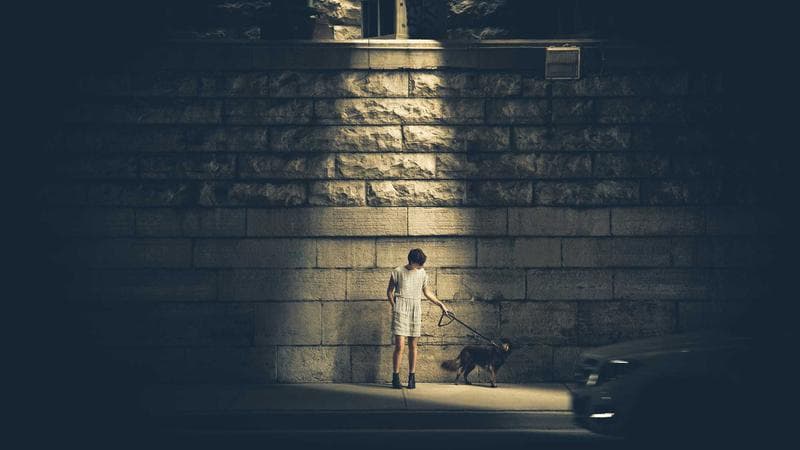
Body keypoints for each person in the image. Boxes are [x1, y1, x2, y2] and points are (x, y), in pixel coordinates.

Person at [386, 248, 450, 389]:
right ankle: (395, 378)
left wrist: (441, 304)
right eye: (419, 264)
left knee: (413, 346)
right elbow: (389, 292)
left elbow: (427, 292)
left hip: (415, 309)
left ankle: (411, 377)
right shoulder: (397, 272)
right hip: (401, 308)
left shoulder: (422, 273)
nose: (421, 266)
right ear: (412, 261)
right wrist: (394, 306)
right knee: (399, 346)